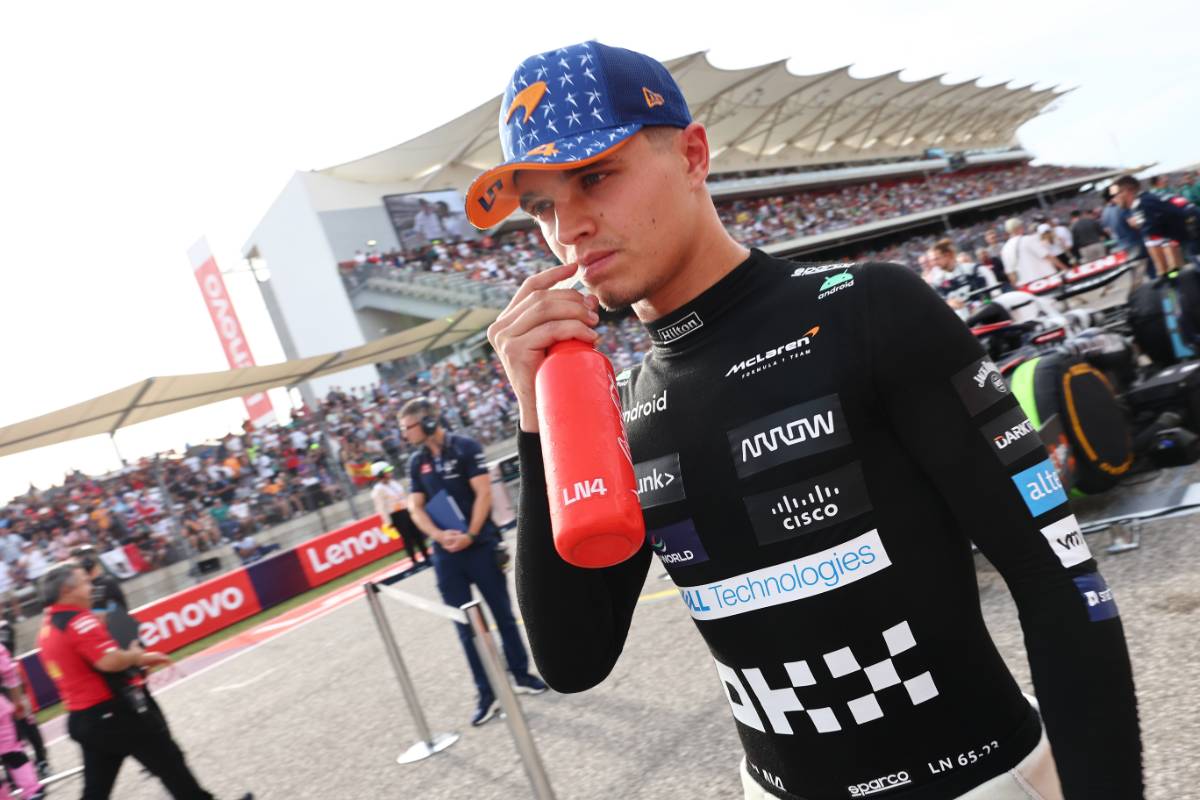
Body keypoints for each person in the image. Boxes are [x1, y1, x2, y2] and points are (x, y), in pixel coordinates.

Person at [476, 41, 1142, 800]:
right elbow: (572, 660)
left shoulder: (870, 309)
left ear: (694, 155)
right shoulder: (614, 408)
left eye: (595, 177)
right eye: (542, 207)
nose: (570, 229)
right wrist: (538, 419)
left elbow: (1061, 587)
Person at [36, 562, 253, 800]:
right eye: (85, 583)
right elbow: (109, 661)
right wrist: (138, 656)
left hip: (86, 718)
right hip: (114, 714)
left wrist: (136, 661)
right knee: (170, 763)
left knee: (96, 792)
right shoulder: (77, 621)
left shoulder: (47, 628)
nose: (91, 587)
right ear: (67, 591)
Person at [398, 398, 547, 726]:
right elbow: (415, 508)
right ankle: (487, 693)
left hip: (480, 546)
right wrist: (440, 537)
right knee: (465, 627)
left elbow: (483, 493)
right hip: (446, 555)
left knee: (503, 616)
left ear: (427, 423)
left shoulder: (464, 447)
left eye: (408, 427)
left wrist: (471, 534)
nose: (404, 434)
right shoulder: (415, 462)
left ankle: (521, 675)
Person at [0, 620, 48, 782]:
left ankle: (42, 761)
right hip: (2, 692)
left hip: (14, 686)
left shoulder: (4, 626)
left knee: (27, 723)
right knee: (8, 735)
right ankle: (12, 775)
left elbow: (6, 649)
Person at [369, 461, 430, 574]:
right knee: (407, 538)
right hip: (396, 515)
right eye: (387, 472)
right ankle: (414, 560)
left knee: (417, 534)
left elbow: (405, 496)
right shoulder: (378, 490)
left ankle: (426, 555)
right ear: (380, 474)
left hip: (406, 511)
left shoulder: (394, 483)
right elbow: (381, 507)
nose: (390, 473)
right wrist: (388, 522)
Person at [1000, 217, 1065, 286]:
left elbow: (1011, 273)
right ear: (1019, 227)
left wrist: (1018, 288)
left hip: (1027, 284)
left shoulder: (1005, 249)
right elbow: (1048, 256)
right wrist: (1064, 268)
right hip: (1046, 279)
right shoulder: (1028, 239)